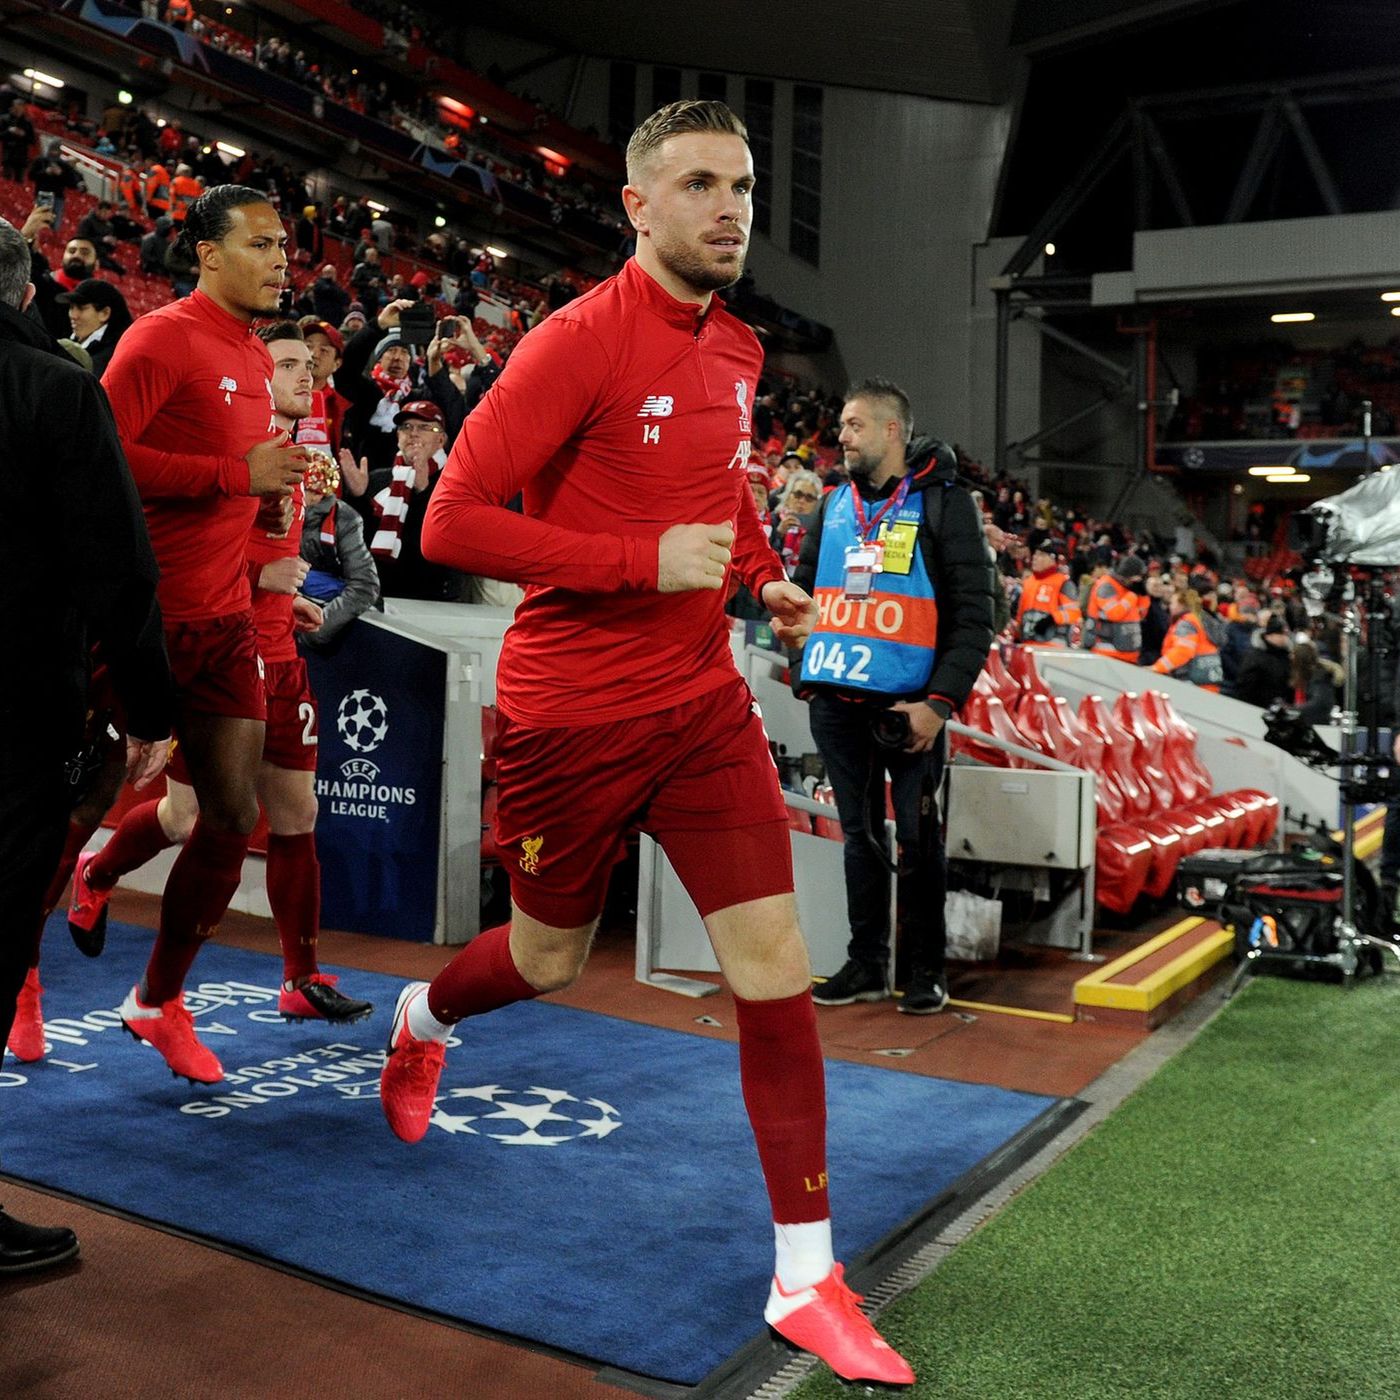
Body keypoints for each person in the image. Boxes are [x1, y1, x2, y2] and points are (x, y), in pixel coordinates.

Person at [376, 100, 915, 1388]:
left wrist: (758, 572)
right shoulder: (573, 343)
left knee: (774, 967)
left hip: (699, 703)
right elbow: (450, 522)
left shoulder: (737, 345)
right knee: (549, 957)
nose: (729, 209)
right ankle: (422, 1013)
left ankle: (804, 1274)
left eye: (741, 185)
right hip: (569, 713)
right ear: (637, 205)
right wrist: (635, 560)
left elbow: (718, 482)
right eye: (699, 185)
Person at [67, 185, 309, 1084]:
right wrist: (233, 475)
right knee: (78, 807)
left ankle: (156, 1000)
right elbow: (100, 460)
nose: (282, 260)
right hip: (140, 621)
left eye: (284, 246)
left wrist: (260, 506)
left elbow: (230, 482)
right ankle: (22, 981)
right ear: (208, 254)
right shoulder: (161, 338)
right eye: (262, 245)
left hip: (223, 622)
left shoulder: (251, 350)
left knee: (232, 815)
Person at [0, 213, 172, 1270]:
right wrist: (149, 707)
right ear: (28, 291)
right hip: (16, 713)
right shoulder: (57, 389)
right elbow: (117, 561)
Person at [127, 321, 373, 1022]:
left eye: (308, 365)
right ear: (254, 380)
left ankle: (299, 977)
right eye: (287, 363)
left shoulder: (299, 460)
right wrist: (257, 577)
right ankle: (96, 877)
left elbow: (269, 552)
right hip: (206, 641)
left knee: (294, 812)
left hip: (275, 654)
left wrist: (283, 595)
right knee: (185, 815)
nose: (305, 373)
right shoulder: (236, 452)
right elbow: (184, 548)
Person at [793, 386, 993, 1015]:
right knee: (858, 836)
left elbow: (975, 617)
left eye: (854, 425)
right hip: (837, 702)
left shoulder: (946, 504)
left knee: (918, 839)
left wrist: (939, 704)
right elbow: (799, 599)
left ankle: (925, 970)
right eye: (841, 424)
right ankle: (867, 963)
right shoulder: (833, 505)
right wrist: (806, 676)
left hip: (911, 710)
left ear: (891, 430)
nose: (842, 436)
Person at [1151, 585, 1224, 691]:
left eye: (1172, 603)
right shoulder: (1205, 621)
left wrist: (1157, 668)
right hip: (1208, 681)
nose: (1170, 607)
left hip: (1189, 681)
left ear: (1181, 605)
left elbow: (1183, 652)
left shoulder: (1186, 623)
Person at [55, 278, 132, 376]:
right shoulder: (68, 337)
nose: (73, 315)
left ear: (104, 313)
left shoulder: (112, 359)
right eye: (71, 307)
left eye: (81, 308)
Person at [1015, 534, 1082, 646]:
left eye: (1041, 555)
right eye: (1035, 554)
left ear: (1052, 559)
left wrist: (1051, 619)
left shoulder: (1064, 583)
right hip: (1028, 644)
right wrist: (1017, 635)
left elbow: (1074, 614)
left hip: (1053, 647)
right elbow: (1020, 614)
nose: (1035, 557)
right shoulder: (1028, 582)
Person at [1083, 553, 1149, 664]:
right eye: (1137, 577)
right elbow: (1114, 614)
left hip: (1129, 652)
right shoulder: (1106, 586)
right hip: (1107, 652)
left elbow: (1141, 614)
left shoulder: (1128, 586)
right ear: (1128, 574)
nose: (1139, 580)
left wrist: (1143, 595)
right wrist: (1132, 595)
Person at [1232, 612, 1292, 707]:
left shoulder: (1286, 655)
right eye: (1280, 634)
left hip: (1281, 706)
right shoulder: (1255, 657)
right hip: (1259, 707)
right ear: (1269, 635)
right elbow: (1244, 688)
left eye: (1285, 634)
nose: (1284, 638)